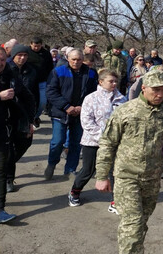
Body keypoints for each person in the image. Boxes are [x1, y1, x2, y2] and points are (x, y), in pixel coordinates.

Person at [95, 70, 163, 253]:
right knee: (133, 223)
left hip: (152, 177)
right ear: (143, 88)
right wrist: (102, 175)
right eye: (155, 90)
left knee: (141, 222)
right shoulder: (126, 111)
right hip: (127, 176)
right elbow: (108, 143)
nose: (159, 94)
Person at [68, 69, 126, 212]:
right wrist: (102, 137)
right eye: (110, 81)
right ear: (101, 82)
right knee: (89, 169)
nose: (114, 84)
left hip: (115, 142)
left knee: (115, 171)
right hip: (93, 141)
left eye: (115, 81)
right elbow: (86, 121)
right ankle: (74, 192)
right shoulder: (91, 98)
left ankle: (115, 201)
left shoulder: (121, 99)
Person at [45, 49, 98, 180]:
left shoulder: (91, 73)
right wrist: (66, 106)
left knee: (76, 143)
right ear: (68, 59)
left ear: (83, 60)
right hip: (60, 112)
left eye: (79, 59)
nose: (76, 62)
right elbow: (51, 92)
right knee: (58, 141)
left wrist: (83, 107)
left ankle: (70, 169)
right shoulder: (58, 71)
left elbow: (93, 93)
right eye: (73, 59)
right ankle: (52, 163)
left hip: (81, 113)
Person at [0, 47, 35, 224]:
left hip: (2, 130)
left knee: (0, 170)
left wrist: (29, 121)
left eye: (2, 60)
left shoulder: (10, 75)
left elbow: (27, 97)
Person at [5, 45, 38, 193]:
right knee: (9, 149)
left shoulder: (31, 70)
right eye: (19, 55)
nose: (22, 57)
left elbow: (33, 94)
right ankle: (8, 178)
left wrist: (32, 118)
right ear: (13, 55)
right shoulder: (6, 69)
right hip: (6, 114)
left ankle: (4, 167)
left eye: (25, 55)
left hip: (23, 113)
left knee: (26, 141)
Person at [26, 36, 54, 128]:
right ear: (31, 44)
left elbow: (50, 67)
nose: (36, 48)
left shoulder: (46, 54)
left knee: (42, 102)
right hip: (29, 81)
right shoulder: (26, 52)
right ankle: (30, 118)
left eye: (38, 46)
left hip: (42, 81)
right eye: (35, 46)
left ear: (41, 45)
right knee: (30, 100)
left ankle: (36, 116)